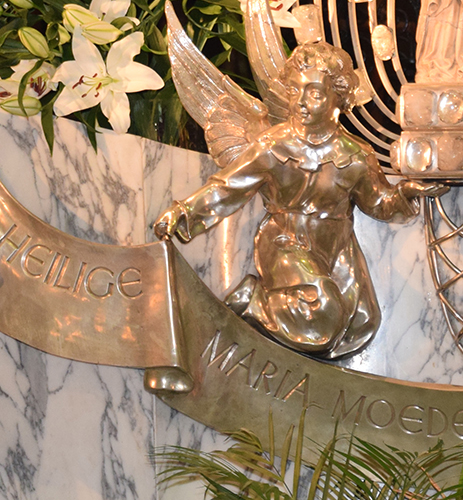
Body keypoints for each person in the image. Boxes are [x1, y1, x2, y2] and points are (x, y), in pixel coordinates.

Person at [155, 44, 441, 357]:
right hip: (285, 239)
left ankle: (304, 365)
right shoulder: (274, 145)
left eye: (314, 93)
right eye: (295, 90)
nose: (301, 102)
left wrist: (405, 194)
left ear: (338, 97)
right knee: (323, 309)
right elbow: (227, 187)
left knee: (361, 322)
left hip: (337, 247)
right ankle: (253, 300)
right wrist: (183, 212)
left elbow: (378, 203)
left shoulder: (357, 156)